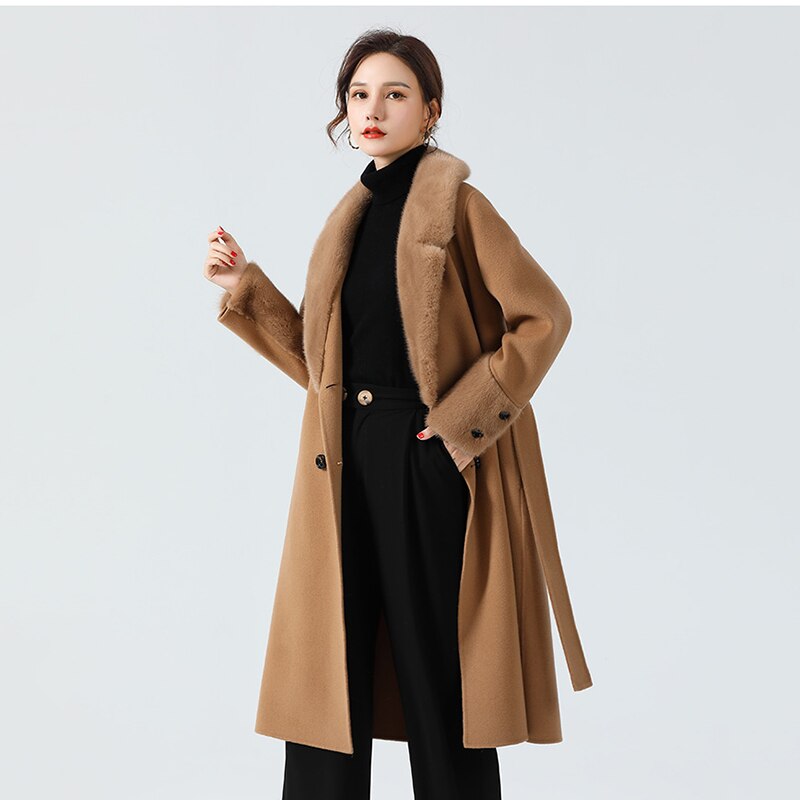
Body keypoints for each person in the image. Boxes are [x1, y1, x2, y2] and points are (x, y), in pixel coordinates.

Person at [204, 27, 591, 800]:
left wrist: (456, 432)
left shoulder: (460, 207)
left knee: (436, 674)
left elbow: (544, 317)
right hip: (342, 460)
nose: (373, 110)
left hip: (422, 460)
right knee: (328, 676)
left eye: (394, 94)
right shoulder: (346, 221)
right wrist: (246, 286)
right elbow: (321, 367)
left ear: (429, 110)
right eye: (359, 95)